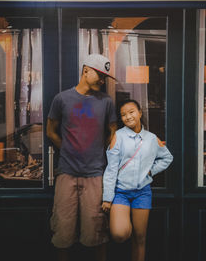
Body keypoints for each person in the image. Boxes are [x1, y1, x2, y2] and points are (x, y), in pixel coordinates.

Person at [46, 54, 118, 261]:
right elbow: (50, 131)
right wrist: (67, 149)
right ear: (86, 70)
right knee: (62, 231)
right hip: (66, 174)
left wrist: (99, 151)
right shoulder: (61, 99)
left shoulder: (106, 101)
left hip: (95, 175)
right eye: (100, 76)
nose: (102, 81)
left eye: (105, 78)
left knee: (97, 232)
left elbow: (113, 131)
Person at [102, 99, 173, 261]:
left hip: (143, 193)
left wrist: (150, 171)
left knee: (140, 238)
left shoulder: (151, 138)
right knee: (120, 234)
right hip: (121, 193)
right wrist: (107, 198)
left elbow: (167, 158)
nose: (128, 117)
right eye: (123, 115)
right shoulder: (118, 137)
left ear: (140, 113)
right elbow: (111, 169)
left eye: (131, 112)